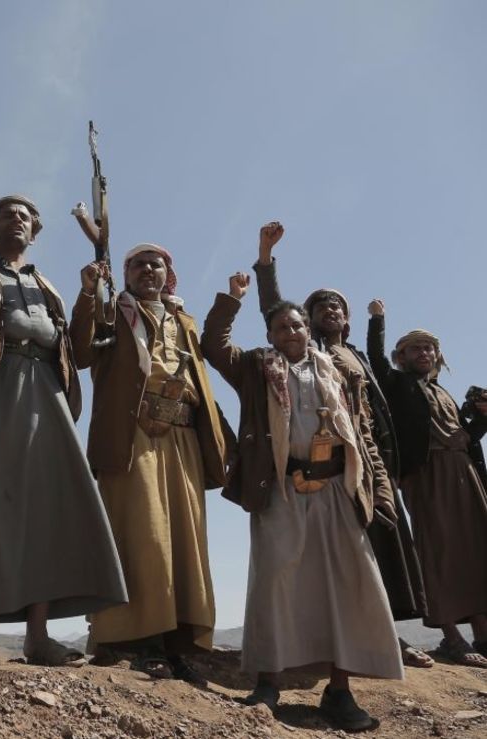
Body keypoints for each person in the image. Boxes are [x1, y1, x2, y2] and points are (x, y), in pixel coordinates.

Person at [0, 188, 126, 666]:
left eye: (24, 216)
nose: (16, 220)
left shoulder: (50, 285)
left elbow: (77, 352)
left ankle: (38, 636)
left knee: (46, 508)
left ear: (36, 231)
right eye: (5, 215)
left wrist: (86, 294)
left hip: (48, 393)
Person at [201, 273, 402, 732]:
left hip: (336, 490)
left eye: (296, 326)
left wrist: (381, 491)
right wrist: (233, 299)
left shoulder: (338, 372)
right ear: (270, 336)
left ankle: (339, 691)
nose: (290, 333)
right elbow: (213, 344)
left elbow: (362, 435)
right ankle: (268, 684)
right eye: (280, 329)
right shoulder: (256, 368)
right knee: (274, 579)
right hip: (282, 489)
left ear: (308, 329)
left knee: (348, 585)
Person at [252, 221, 430, 668]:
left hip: (368, 457)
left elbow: (376, 410)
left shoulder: (354, 358)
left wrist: (390, 467)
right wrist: (267, 259)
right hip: (319, 468)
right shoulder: (307, 354)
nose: (329, 311)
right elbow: (274, 308)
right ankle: (323, 647)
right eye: (320, 307)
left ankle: (383, 636)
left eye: (337, 307)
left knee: (380, 543)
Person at [69, 243, 229, 684]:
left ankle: (178, 641)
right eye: (137, 264)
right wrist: (87, 295)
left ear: (167, 273)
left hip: (183, 437)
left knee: (184, 539)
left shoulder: (184, 319)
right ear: (126, 274)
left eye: (155, 264)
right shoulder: (111, 313)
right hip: (131, 436)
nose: (147, 270)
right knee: (143, 535)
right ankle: (136, 641)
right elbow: (79, 353)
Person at [366, 303, 487, 668]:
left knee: (476, 550)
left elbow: (465, 436)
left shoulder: (443, 392)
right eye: (415, 348)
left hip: (465, 473)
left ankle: (482, 636)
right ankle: (451, 637)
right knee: (436, 550)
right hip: (427, 474)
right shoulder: (398, 384)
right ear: (401, 357)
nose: (424, 353)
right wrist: (377, 321)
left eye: (428, 348)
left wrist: (481, 417)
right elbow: (375, 359)